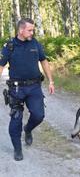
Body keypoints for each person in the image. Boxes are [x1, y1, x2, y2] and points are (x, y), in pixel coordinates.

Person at [0, 18, 55, 161]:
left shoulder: (35, 44)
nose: (32, 32)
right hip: (17, 89)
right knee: (16, 119)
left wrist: (51, 81)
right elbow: (1, 65)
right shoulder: (9, 46)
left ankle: (28, 129)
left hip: (34, 87)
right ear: (21, 30)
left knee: (38, 115)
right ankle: (17, 149)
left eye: (33, 30)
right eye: (30, 30)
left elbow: (43, 61)